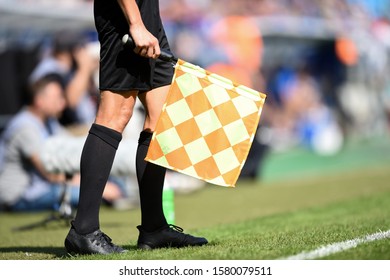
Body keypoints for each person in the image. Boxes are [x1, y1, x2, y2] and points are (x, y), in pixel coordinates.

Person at [64, 0, 208, 255]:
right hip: (126, 20)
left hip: (148, 20)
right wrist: (135, 24)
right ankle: (83, 230)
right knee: (114, 115)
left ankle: (154, 227)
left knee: (161, 118)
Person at [0, 74, 123, 212]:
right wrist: (96, 185)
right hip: (19, 196)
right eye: (57, 98)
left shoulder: (49, 122)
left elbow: (72, 143)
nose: (63, 103)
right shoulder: (25, 127)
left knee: (116, 183)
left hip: (43, 187)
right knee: (89, 194)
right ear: (39, 100)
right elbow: (49, 173)